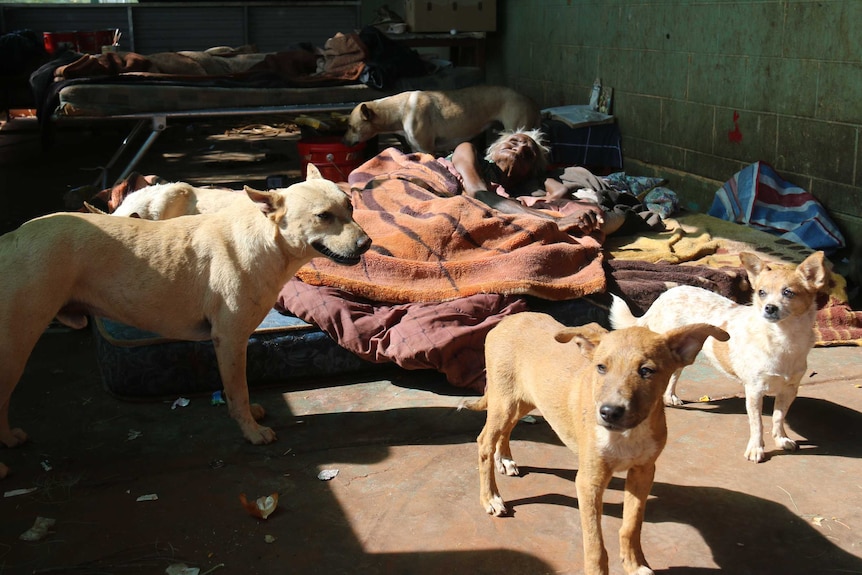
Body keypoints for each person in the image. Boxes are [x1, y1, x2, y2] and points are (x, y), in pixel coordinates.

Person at [448, 128, 623, 235]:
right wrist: (554, 221)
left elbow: (560, 192)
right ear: (494, 151)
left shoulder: (517, 192)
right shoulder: (468, 151)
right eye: (514, 142)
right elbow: (479, 195)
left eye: (528, 155)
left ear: (529, 172)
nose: (521, 148)